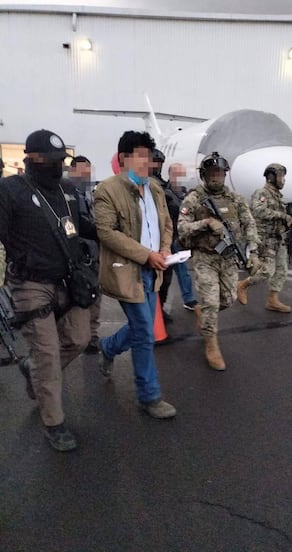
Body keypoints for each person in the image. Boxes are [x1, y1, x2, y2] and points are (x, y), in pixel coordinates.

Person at [0, 129, 96, 452]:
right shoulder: (9, 191)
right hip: (30, 285)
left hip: (67, 282)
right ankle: (54, 422)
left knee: (80, 338)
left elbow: (84, 228)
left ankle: (33, 370)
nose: (59, 167)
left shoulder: (67, 191)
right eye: (53, 161)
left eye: (61, 161)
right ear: (33, 159)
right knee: (48, 354)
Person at [94, 130, 176, 419]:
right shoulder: (107, 189)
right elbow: (105, 232)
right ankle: (149, 395)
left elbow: (166, 223)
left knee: (142, 329)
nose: (146, 163)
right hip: (129, 271)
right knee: (144, 333)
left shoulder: (154, 189)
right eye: (139, 156)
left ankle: (107, 347)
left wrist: (164, 249)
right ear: (123, 159)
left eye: (148, 157)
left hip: (154, 270)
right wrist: (146, 255)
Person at [177, 151, 260, 371]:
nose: (217, 177)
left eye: (221, 173)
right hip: (205, 258)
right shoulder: (193, 199)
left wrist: (253, 252)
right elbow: (182, 228)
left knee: (229, 299)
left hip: (229, 257)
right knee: (212, 303)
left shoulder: (235, 199)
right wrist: (205, 223)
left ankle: (203, 313)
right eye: (213, 173)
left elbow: (249, 224)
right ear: (204, 175)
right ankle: (211, 344)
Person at [237, 163, 292, 312]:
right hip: (266, 239)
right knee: (267, 270)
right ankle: (243, 285)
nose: (283, 180)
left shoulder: (278, 196)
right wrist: (282, 216)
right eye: (281, 176)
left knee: (281, 270)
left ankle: (272, 300)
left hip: (278, 239)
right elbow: (258, 210)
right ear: (271, 177)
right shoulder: (262, 193)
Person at [69, 155, 102, 354]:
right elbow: (80, 224)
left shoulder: (87, 192)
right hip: (80, 254)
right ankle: (83, 336)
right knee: (82, 296)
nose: (86, 174)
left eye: (88, 170)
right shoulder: (68, 193)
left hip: (92, 252)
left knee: (95, 295)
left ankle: (92, 336)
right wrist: (103, 231)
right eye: (83, 170)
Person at [159, 163, 197, 320]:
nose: (180, 178)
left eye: (182, 174)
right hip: (168, 239)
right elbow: (176, 210)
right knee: (164, 278)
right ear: (170, 174)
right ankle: (160, 309)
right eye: (177, 174)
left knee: (183, 271)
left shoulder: (184, 193)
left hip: (180, 240)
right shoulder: (165, 193)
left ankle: (189, 299)